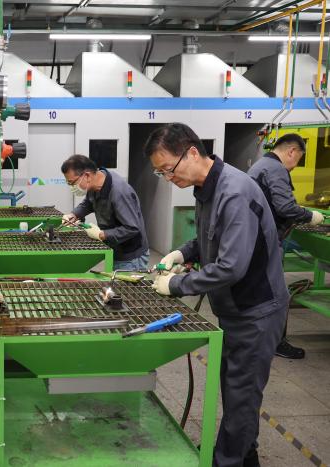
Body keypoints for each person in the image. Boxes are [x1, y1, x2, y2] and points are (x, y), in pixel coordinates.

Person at [145, 123, 287, 467]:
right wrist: (181, 253)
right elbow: (209, 238)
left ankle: (228, 461)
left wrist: (176, 285)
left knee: (240, 394)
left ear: (192, 152)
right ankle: (244, 451)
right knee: (239, 390)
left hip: (255, 311)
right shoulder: (207, 187)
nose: (168, 178)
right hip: (236, 308)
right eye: (160, 172)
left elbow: (231, 266)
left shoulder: (235, 191)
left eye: (169, 169)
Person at [248, 133, 325, 359]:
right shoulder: (276, 168)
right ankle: (277, 343)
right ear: (292, 151)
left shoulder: (261, 165)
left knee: (262, 293)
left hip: (255, 241)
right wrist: (310, 215)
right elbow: (285, 207)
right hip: (267, 243)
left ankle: (258, 339)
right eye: (298, 159)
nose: (295, 166)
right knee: (279, 296)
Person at [60, 154, 149, 271]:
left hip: (131, 256)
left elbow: (132, 228)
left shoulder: (119, 192)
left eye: (72, 183)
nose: (72, 187)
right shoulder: (95, 184)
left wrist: (101, 234)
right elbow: (88, 203)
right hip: (116, 249)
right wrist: (74, 215)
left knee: (121, 288)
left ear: (86, 175)